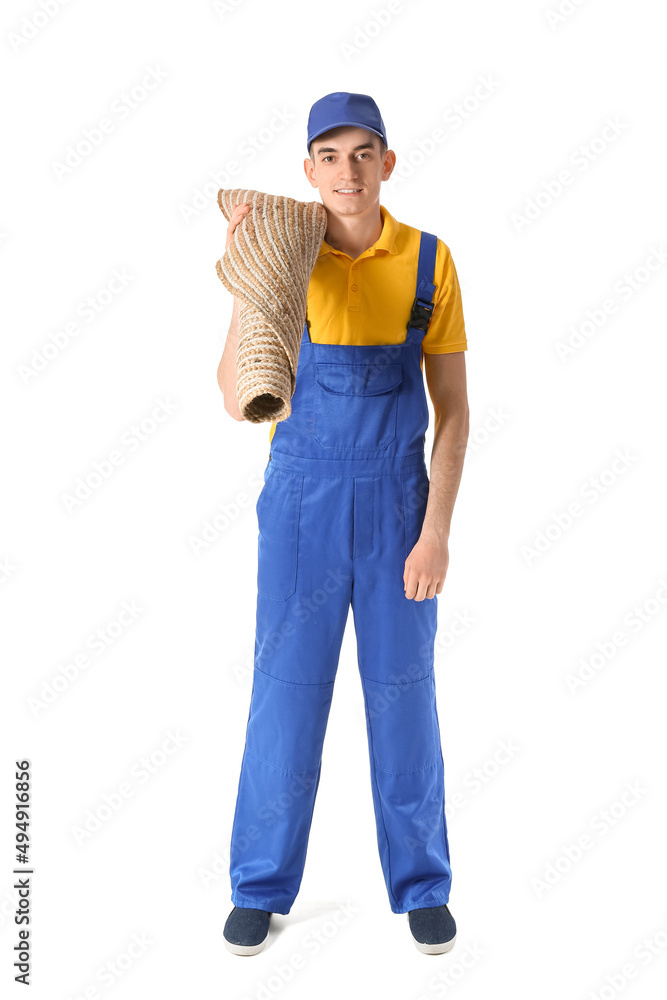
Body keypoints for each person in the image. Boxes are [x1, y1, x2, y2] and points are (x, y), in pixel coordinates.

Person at [217, 92, 469, 956]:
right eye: (329, 155)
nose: (347, 171)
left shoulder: (428, 262)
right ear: (308, 170)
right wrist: (242, 273)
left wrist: (434, 531)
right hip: (299, 507)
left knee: (403, 698)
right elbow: (233, 395)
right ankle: (259, 883)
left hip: (398, 506)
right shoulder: (284, 259)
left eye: (363, 153)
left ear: (388, 162)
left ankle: (421, 884)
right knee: (284, 695)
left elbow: (455, 415)